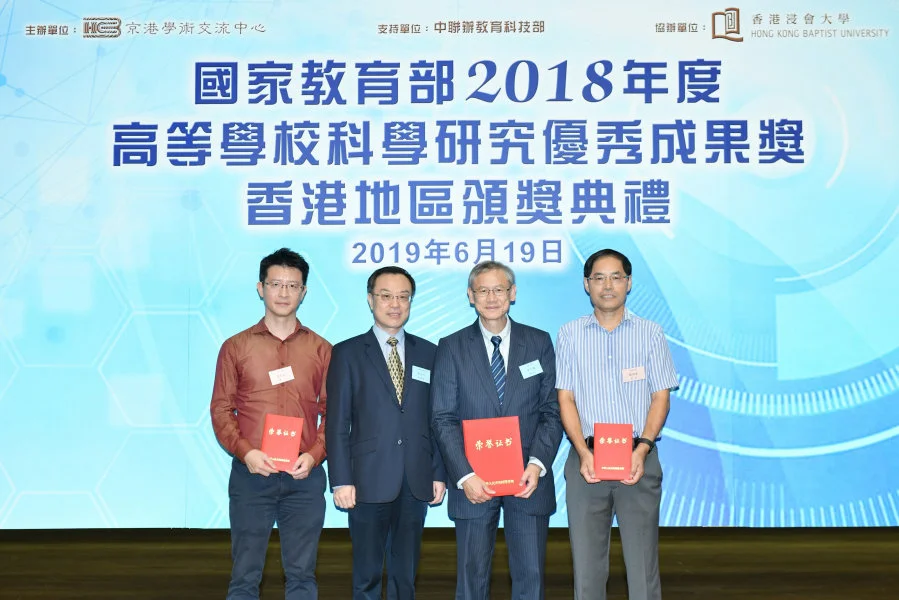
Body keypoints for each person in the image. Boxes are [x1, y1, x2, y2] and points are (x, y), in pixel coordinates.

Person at [431, 261, 563, 600]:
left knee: (530, 576)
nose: (492, 297)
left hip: (527, 480)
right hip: (474, 481)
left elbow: (552, 411)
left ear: (513, 294)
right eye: (483, 290)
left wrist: (537, 464)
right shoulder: (452, 346)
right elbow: (443, 417)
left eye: (499, 289)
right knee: (471, 577)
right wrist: (463, 475)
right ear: (470, 296)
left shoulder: (539, 342)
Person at [555, 248, 679, 600]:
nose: (607, 285)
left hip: (639, 457)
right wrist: (581, 452)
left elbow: (661, 396)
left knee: (642, 566)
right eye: (598, 278)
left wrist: (643, 449)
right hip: (587, 461)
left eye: (615, 277)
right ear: (586, 284)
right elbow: (566, 398)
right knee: (587, 568)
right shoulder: (569, 334)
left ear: (628, 283)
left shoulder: (651, 333)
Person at [210, 247, 331, 600]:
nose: (283, 292)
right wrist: (246, 452)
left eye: (293, 286)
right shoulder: (236, 347)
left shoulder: (322, 350)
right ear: (260, 288)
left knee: (302, 576)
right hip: (252, 476)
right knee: (245, 577)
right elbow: (221, 409)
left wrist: (315, 455)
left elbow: (335, 414)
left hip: (303, 477)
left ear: (304, 292)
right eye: (276, 284)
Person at [325, 266, 447, 600]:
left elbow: (437, 419)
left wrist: (438, 472)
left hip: (415, 477)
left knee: (405, 575)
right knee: (366, 575)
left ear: (411, 301)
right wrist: (340, 479)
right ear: (370, 300)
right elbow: (337, 423)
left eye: (403, 296)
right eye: (386, 296)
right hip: (365, 480)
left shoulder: (431, 352)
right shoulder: (347, 352)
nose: (395, 304)